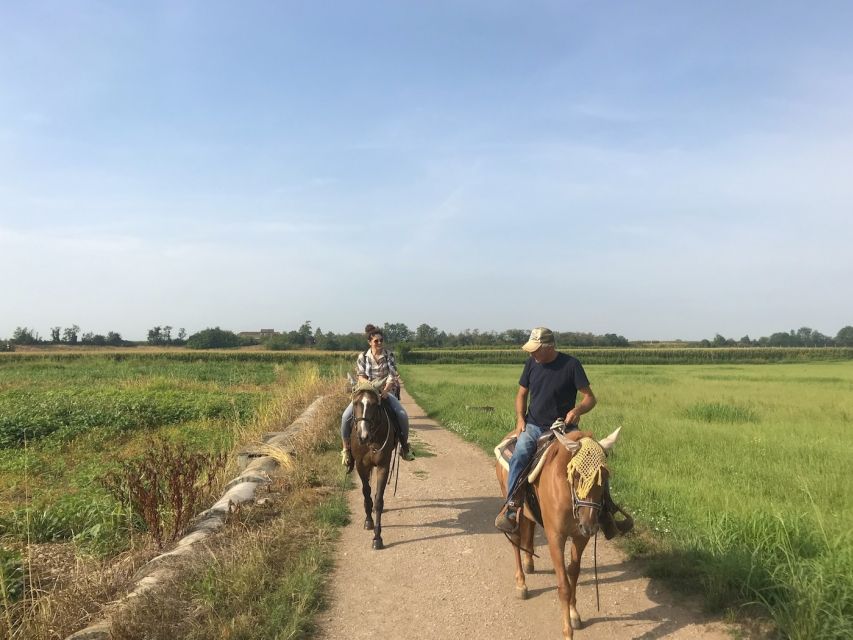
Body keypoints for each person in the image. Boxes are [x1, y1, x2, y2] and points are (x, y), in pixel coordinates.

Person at [495, 327, 620, 537]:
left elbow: (590, 398)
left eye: (535, 349)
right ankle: (512, 506)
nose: (531, 353)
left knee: (594, 460)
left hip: (566, 428)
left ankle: (606, 512)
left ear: (549, 347)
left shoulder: (571, 365)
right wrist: (520, 418)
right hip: (535, 427)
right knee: (520, 455)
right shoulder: (531, 364)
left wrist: (577, 410)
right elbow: (521, 394)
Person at [341, 324, 415, 471]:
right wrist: (370, 388)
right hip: (367, 392)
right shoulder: (362, 357)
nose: (379, 343)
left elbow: (392, 375)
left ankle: (405, 447)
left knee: (401, 414)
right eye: (376, 341)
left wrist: (386, 390)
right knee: (345, 417)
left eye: (381, 340)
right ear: (370, 342)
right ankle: (346, 450)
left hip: (385, 392)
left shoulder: (389, 355)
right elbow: (361, 377)